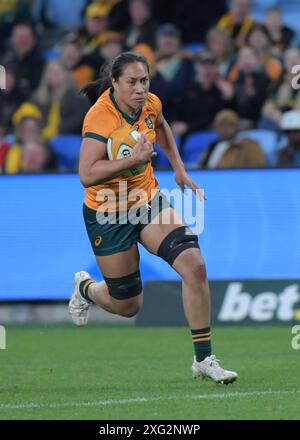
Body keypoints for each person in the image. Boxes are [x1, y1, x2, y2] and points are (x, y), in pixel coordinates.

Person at [68, 51, 238, 384]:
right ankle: (86, 289)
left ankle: (204, 359)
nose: (140, 89)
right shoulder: (100, 117)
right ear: (115, 83)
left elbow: (160, 125)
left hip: (146, 200)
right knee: (128, 305)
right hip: (107, 212)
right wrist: (134, 158)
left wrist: (179, 170)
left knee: (195, 266)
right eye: (131, 82)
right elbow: (87, 174)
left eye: (144, 81)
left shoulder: (150, 103)